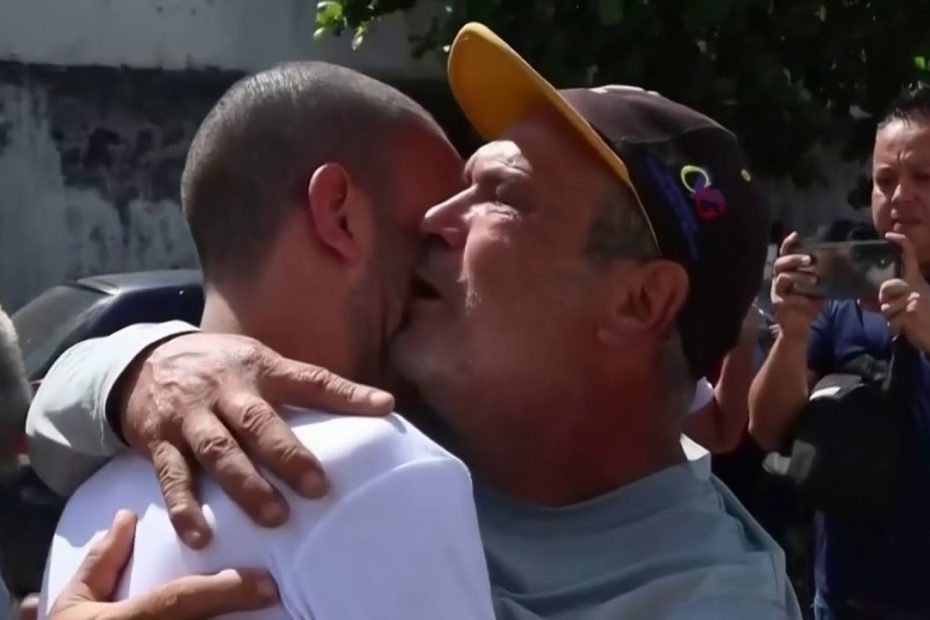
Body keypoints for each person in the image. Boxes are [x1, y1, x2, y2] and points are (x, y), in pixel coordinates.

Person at [33, 23, 801, 619]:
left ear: (638, 302)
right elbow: (45, 424)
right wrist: (151, 368)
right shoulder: (397, 414)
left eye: (500, 196)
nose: (434, 219)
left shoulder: (713, 600)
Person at [35, 61, 495, 620]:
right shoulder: (385, 468)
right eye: (428, 237)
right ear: (339, 216)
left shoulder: (85, 511)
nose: (450, 269)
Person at [749, 84, 930, 619]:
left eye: (924, 177)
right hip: (846, 597)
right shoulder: (843, 297)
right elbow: (766, 429)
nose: (900, 196)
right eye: (885, 180)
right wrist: (792, 332)